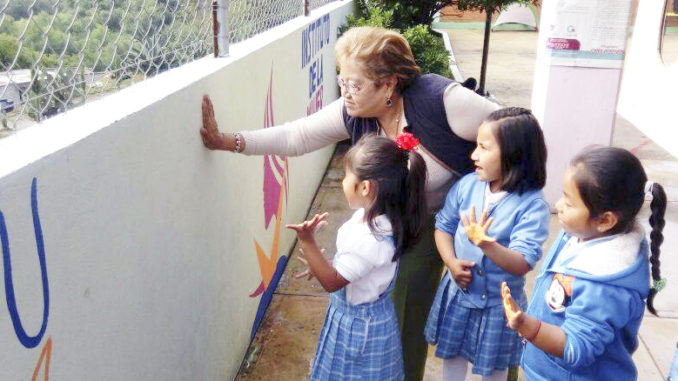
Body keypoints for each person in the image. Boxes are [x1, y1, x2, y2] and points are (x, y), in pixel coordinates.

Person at [200, 26, 500, 380]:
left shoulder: (441, 100)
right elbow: (296, 136)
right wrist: (228, 141)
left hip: (469, 225)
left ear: (388, 84)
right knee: (403, 316)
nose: (346, 93)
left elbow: (515, 132)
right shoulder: (353, 110)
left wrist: (500, 202)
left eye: (355, 85)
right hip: (410, 226)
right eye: (342, 82)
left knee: (485, 320)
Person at [502, 146, 668, 380]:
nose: (558, 206)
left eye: (569, 203)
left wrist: (530, 327)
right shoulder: (582, 232)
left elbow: (575, 348)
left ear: (605, 220)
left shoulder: (603, 287)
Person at [286, 134, 427, 380]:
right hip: (368, 322)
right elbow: (353, 272)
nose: (341, 182)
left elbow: (333, 282)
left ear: (365, 187)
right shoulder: (375, 219)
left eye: (346, 176)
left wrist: (308, 242)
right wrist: (322, 266)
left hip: (359, 331)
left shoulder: (369, 239)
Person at [424, 107, 550, 380]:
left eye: (484, 147)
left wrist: (486, 245)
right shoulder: (468, 185)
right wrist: (451, 262)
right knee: (452, 356)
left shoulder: (532, 206)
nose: (474, 155)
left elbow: (522, 263)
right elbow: (443, 227)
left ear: (514, 155)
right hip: (459, 295)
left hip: (498, 307)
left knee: (495, 369)